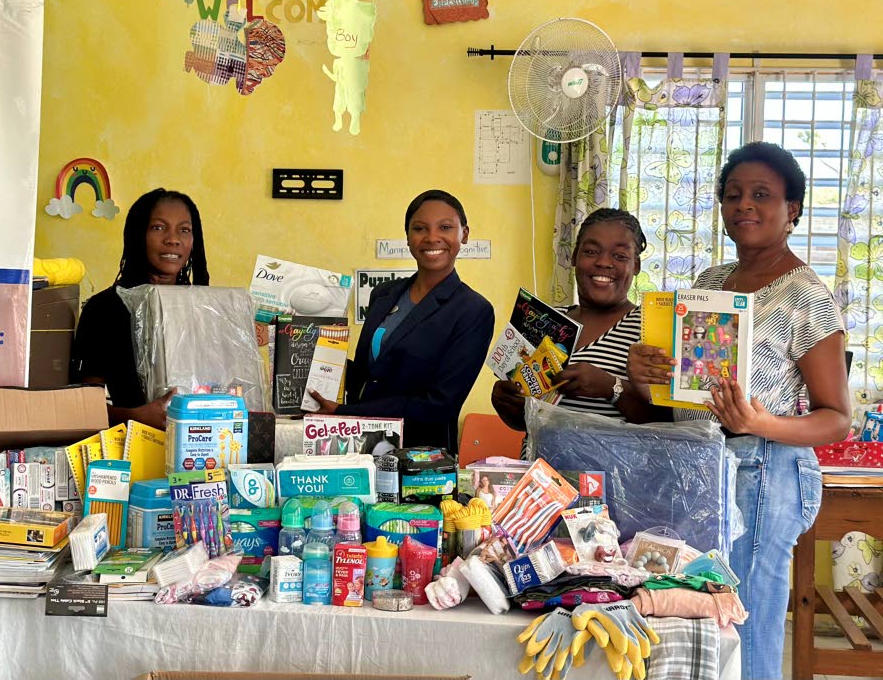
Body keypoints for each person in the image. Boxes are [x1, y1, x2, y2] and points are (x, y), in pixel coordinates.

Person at [627, 142, 851, 680]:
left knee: (747, 620)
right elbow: (681, 398)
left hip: (766, 471)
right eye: (733, 195)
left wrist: (759, 422)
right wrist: (645, 379)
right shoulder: (708, 283)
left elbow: (836, 417)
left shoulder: (806, 296)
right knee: (704, 619)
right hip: (700, 467)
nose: (744, 206)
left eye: (761, 195)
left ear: (792, 208)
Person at [307, 189, 494, 450]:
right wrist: (303, 347)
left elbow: (440, 404)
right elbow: (367, 376)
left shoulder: (473, 310)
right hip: (357, 445)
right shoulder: (384, 294)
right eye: (420, 228)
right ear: (408, 237)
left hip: (419, 458)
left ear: (464, 234)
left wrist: (347, 412)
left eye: (445, 227)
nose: (432, 237)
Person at [492, 208, 664, 432]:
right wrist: (507, 403)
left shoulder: (650, 330)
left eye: (620, 256)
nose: (603, 262)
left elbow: (666, 425)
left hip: (612, 467)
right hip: (539, 466)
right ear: (574, 257)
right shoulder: (543, 320)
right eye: (591, 251)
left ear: (636, 266)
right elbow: (525, 423)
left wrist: (611, 388)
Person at [69, 188, 209, 430]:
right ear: (138, 235)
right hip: (131, 448)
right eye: (158, 227)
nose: (173, 239)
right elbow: (80, 405)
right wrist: (134, 416)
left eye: (184, 230)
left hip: (204, 444)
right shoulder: (105, 309)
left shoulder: (206, 307)